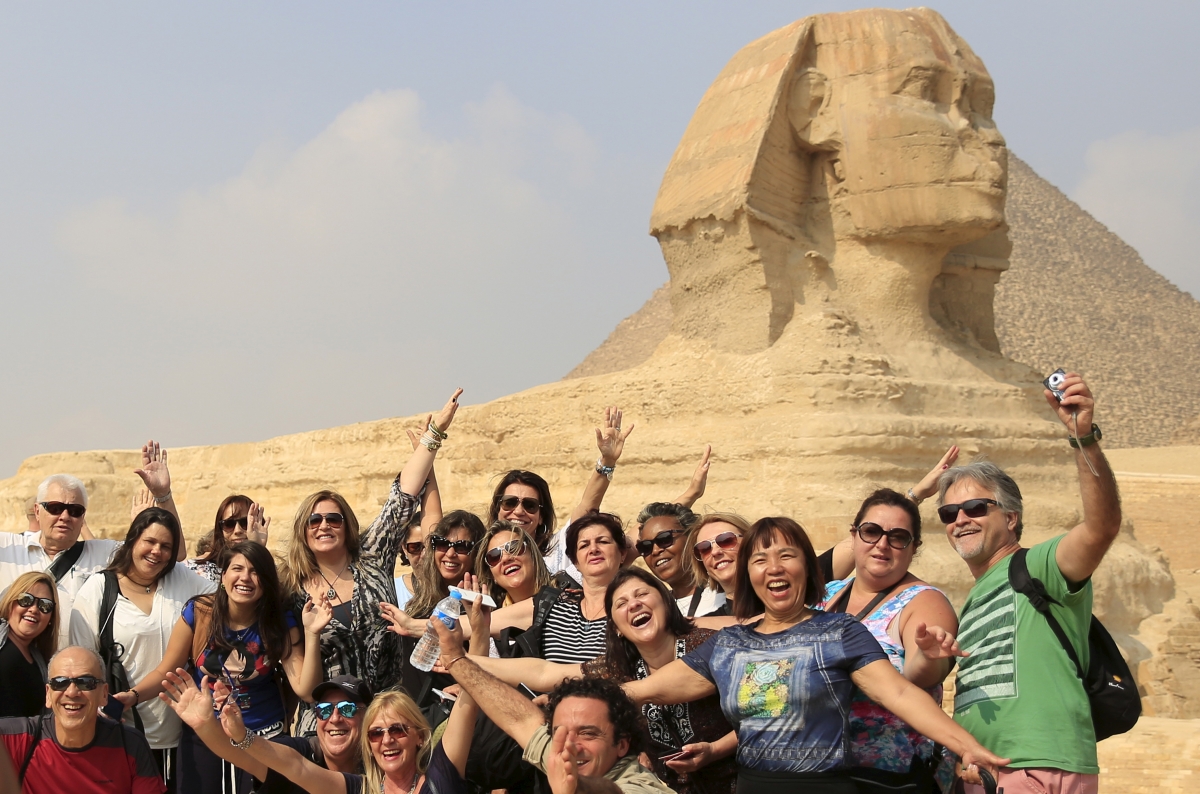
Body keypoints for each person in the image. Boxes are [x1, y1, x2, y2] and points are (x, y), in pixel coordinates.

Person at [622, 517, 1008, 794]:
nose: (774, 568)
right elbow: (651, 688)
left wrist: (966, 746)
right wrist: (600, 692)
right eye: (759, 560)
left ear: (807, 566)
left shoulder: (839, 632)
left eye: (786, 555)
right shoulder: (729, 644)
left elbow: (902, 695)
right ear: (749, 574)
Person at [939, 372, 1121, 794]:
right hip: (983, 774)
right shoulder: (971, 602)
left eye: (975, 507)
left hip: (1037, 767)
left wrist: (1082, 438)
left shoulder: (1037, 567)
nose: (961, 520)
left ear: (1011, 517)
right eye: (949, 514)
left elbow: (1101, 527)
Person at [178, 579, 494, 794]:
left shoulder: (440, 777)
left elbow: (469, 703)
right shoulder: (360, 788)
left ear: (420, 736)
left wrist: (479, 633)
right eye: (377, 733)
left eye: (396, 730)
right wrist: (239, 735)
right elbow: (295, 766)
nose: (386, 740)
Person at [281, 388, 462, 735]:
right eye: (314, 521)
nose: (324, 526)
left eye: (333, 519)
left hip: (386, 721)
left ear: (347, 524)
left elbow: (403, 497)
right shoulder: (290, 588)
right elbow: (301, 682)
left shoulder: (372, 556)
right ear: (302, 530)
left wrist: (433, 435)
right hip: (328, 727)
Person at [461, 567, 738, 794]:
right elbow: (545, 673)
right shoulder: (616, 668)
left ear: (665, 602)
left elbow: (767, 713)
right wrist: (463, 661)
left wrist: (715, 750)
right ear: (615, 627)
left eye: (642, 594)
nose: (634, 604)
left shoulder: (709, 646)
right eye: (621, 603)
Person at [128, 542, 330, 794]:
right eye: (237, 568)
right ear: (223, 575)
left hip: (263, 737)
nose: (245, 577)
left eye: (255, 571)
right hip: (205, 733)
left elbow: (306, 689)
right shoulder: (200, 613)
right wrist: (131, 696)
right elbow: (165, 672)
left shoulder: (278, 621)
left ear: (266, 582)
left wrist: (312, 634)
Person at [430, 613, 676, 794]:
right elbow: (521, 719)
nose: (571, 746)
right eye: (559, 733)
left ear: (621, 745)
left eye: (588, 733)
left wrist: (575, 790)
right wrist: (456, 661)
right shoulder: (565, 756)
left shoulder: (640, 786)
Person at [818, 489, 962, 793]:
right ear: (854, 536)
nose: (882, 544)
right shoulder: (826, 595)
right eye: (871, 531)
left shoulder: (923, 601)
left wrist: (928, 656)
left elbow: (919, 676)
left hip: (891, 778)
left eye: (898, 537)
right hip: (822, 772)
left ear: (914, 547)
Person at [70, 507, 216, 791]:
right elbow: (81, 660)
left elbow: (231, 598)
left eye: (166, 546)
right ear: (132, 540)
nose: (156, 552)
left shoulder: (183, 582)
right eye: (149, 542)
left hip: (175, 733)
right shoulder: (99, 589)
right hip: (114, 732)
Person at [0, 442, 187, 650]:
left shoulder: (102, 553)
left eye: (75, 510)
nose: (64, 517)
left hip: (76, 677)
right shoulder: (10, 546)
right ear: (37, 511)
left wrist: (163, 496)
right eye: (55, 508)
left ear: (83, 517)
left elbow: (175, 554)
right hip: (16, 670)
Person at [487, 408, 639, 583]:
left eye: (530, 505)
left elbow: (588, 505)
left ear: (541, 516)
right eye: (510, 503)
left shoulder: (560, 549)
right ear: (498, 508)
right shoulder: (485, 555)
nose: (518, 511)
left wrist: (607, 462)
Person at [159, 672, 372, 794]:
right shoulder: (301, 750)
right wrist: (206, 726)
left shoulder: (380, 765)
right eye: (324, 710)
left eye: (347, 709)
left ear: (368, 717)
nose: (334, 718)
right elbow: (247, 756)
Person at [0, 645, 164, 793]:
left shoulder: (130, 744)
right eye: (60, 682)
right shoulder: (16, 739)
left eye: (86, 682)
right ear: (48, 694)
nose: (72, 692)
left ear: (104, 694)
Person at [487, 512, 628, 664]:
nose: (593, 549)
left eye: (603, 542)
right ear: (575, 561)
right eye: (584, 545)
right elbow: (541, 674)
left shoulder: (635, 604)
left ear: (623, 553)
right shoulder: (553, 606)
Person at [636, 503, 724, 618]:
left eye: (664, 539)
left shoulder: (725, 591)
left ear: (691, 537)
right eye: (645, 547)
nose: (655, 551)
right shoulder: (655, 611)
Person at [0, 571, 59, 717]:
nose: (33, 609)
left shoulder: (42, 662)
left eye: (45, 605)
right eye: (26, 599)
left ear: (50, 618)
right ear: (10, 603)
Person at [183, 496, 269, 584]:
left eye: (245, 523)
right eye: (229, 524)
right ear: (220, 530)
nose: (237, 530)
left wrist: (257, 548)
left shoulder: (268, 568)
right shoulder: (195, 570)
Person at [687, 514, 751, 618]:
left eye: (726, 540)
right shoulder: (703, 628)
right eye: (704, 548)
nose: (715, 552)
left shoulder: (784, 607)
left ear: (751, 543)